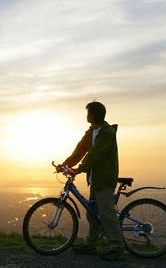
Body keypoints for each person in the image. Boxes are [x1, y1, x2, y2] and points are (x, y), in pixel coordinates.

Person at [57, 101, 124, 261]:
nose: (86, 115)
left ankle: (117, 248)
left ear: (94, 114)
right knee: (92, 213)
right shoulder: (91, 132)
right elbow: (80, 150)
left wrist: (79, 169)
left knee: (107, 213)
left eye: (88, 112)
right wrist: (66, 165)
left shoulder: (107, 133)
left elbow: (95, 154)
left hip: (105, 179)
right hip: (95, 179)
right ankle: (91, 245)